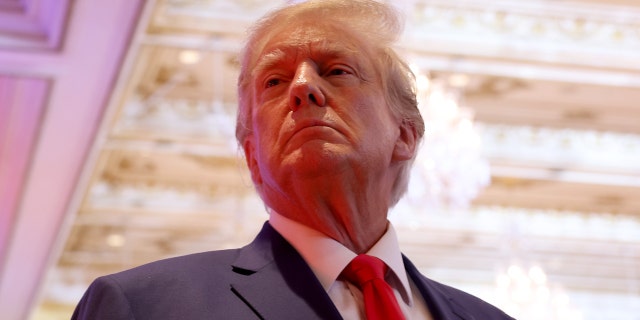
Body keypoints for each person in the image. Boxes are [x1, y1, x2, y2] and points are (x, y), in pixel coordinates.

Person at [72, 0, 513, 319]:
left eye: (337, 70)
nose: (303, 87)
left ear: (405, 134)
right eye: (274, 81)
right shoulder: (143, 306)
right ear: (252, 155)